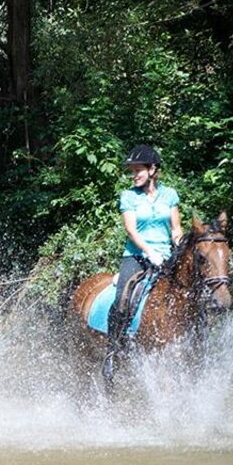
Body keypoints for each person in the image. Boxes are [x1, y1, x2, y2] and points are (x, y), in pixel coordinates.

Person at [102, 144, 183, 381]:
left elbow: (176, 228)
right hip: (136, 256)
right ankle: (113, 350)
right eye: (132, 171)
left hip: (166, 256)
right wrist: (149, 251)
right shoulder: (128, 196)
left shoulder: (169, 195)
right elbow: (131, 230)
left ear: (153, 169)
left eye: (138, 170)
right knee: (123, 298)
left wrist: (177, 246)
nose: (134, 174)